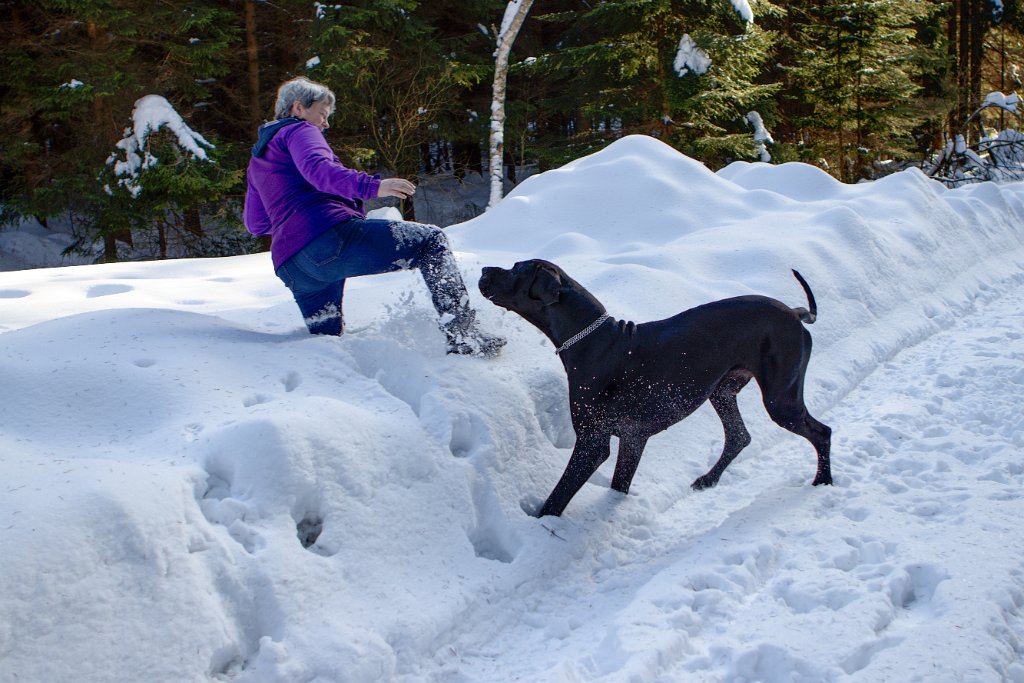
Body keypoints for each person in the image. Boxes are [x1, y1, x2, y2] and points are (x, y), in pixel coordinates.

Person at [244, 76, 504, 357]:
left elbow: (256, 224)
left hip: (295, 269)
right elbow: (320, 172)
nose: (325, 123)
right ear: (298, 108)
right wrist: (373, 186)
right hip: (328, 242)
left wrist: (294, 220)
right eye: (322, 113)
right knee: (431, 241)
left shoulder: (259, 161)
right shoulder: (299, 132)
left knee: (328, 346)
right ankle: (464, 335)